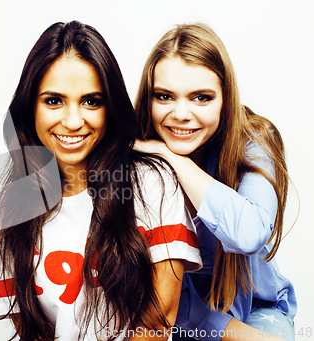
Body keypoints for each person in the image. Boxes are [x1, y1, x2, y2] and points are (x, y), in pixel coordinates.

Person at [0, 21, 202, 341]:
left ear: (109, 107)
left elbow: (157, 321)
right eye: (54, 100)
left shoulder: (152, 183)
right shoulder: (8, 210)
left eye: (91, 101)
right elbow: (31, 332)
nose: (73, 121)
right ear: (30, 107)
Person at [134, 23, 296, 341]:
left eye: (201, 98)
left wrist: (173, 160)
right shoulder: (134, 161)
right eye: (165, 96)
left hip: (257, 311)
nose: (181, 113)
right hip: (178, 319)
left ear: (225, 98)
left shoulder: (254, 139)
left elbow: (249, 231)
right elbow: (157, 296)